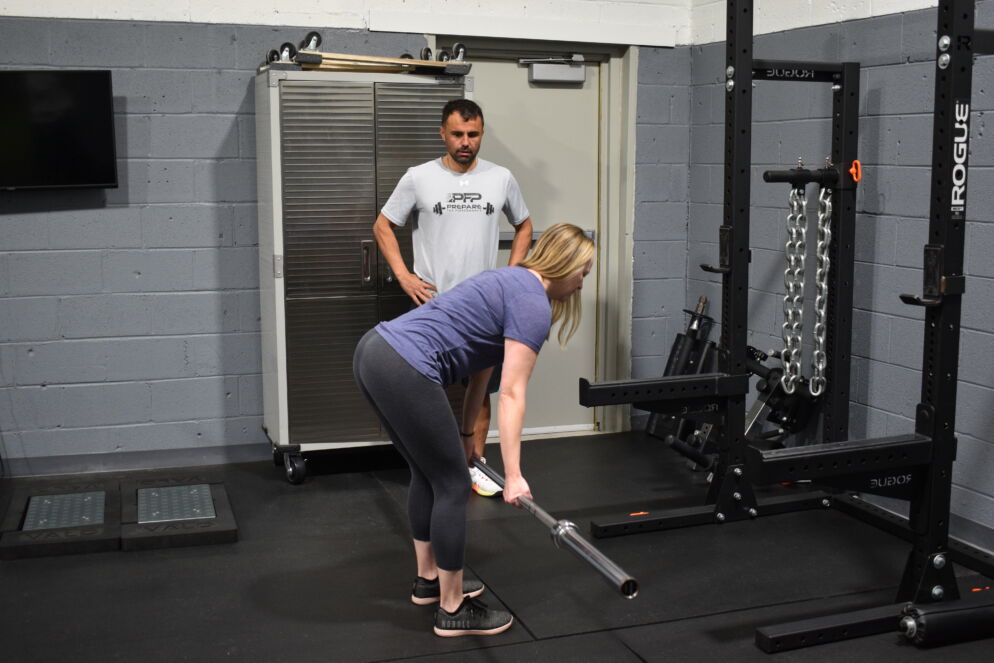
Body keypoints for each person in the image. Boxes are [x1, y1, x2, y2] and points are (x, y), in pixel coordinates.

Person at [353, 223, 594, 637]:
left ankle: (430, 580)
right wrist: (513, 476)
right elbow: (514, 394)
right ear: (565, 262)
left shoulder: (508, 279)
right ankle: (452, 609)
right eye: (583, 272)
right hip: (405, 365)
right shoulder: (533, 304)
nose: (582, 283)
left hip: (374, 351)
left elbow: (482, 372)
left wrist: (468, 439)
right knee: (451, 485)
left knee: (428, 475)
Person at [372, 98, 534, 498]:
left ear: (482, 133)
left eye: (473, 134)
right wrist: (404, 276)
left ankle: (474, 463)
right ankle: (439, 467)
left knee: (480, 391)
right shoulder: (418, 177)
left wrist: (512, 275)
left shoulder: (501, 178)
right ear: (442, 133)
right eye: (458, 134)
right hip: (435, 304)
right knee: (434, 392)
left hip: (485, 304)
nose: (466, 142)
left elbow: (525, 225)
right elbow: (382, 225)